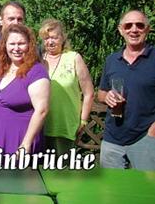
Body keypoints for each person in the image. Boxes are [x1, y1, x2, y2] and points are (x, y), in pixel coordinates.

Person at [98, 10, 155, 170]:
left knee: (146, 191)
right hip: (112, 139)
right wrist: (107, 96)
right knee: (111, 190)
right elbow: (101, 93)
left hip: (146, 138)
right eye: (128, 25)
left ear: (147, 29)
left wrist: (152, 132)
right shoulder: (112, 60)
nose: (134, 29)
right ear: (121, 29)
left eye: (140, 25)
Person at [0, 24, 50, 154]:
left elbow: (42, 111)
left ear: (29, 46)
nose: (16, 48)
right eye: (12, 44)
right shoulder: (4, 68)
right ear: (5, 46)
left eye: (21, 44)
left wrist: (26, 144)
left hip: (19, 139)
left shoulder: (36, 71)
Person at [39, 19, 94, 155]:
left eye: (54, 37)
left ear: (62, 38)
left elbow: (89, 93)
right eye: (46, 38)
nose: (50, 42)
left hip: (66, 125)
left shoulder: (74, 58)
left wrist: (83, 120)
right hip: (41, 124)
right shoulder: (39, 60)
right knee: (40, 171)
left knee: (63, 171)